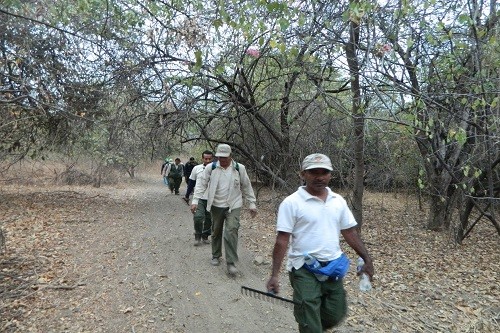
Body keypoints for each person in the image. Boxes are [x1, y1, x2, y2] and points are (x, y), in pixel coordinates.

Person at [266, 153, 374, 333]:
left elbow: (349, 232)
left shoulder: (337, 201)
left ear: (331, 174)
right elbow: (282, 240)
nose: (319, 176)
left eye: (324, 172)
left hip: (333, 266)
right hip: (303, 269)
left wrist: (367, 259)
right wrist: (274, 275)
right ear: (302, 174)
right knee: (309, 317)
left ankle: (312, 324)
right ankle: (310, 324)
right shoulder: (291, 203)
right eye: (313, 172)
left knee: (335, 313)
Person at [191, 144, 257, 275]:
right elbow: (201, 184)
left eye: (225, 157)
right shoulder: (211, 167)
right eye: (220, 157)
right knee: (216, 231)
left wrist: (252, 203)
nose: (222, 160)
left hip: (234, 204)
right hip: (216, 205)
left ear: (230, 156)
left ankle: (231, 262)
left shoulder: (239, 168)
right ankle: (216, 255)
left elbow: (246, 186)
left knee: (231, 230)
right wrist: (195, 200)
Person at [187, 150, 214, 245]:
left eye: (210, 159)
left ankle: (205, 235)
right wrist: (187, 195)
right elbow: (191, 183)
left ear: (213, 159)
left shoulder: (217, 169)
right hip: (199, 198)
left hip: (213, 199)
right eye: (206, 158)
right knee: (198, 217)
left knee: (209, 219)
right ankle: (197, 235)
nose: (207, 160)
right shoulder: (197, 168)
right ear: (202, 158)